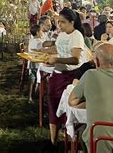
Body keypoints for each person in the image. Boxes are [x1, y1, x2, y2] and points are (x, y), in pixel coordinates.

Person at [44, 8, 87, 144]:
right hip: (57, 74)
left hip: (70, 76)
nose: (60, 25)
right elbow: (58, 48)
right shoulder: (62, 35)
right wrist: (42, 50)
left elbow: (75, 59)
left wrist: (57, 60)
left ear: (72, 22)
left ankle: (68, 138)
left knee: (67, 108)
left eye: (63, 22)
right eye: (58, 22)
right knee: (53, 105)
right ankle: (53, 141)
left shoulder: (77, 36)